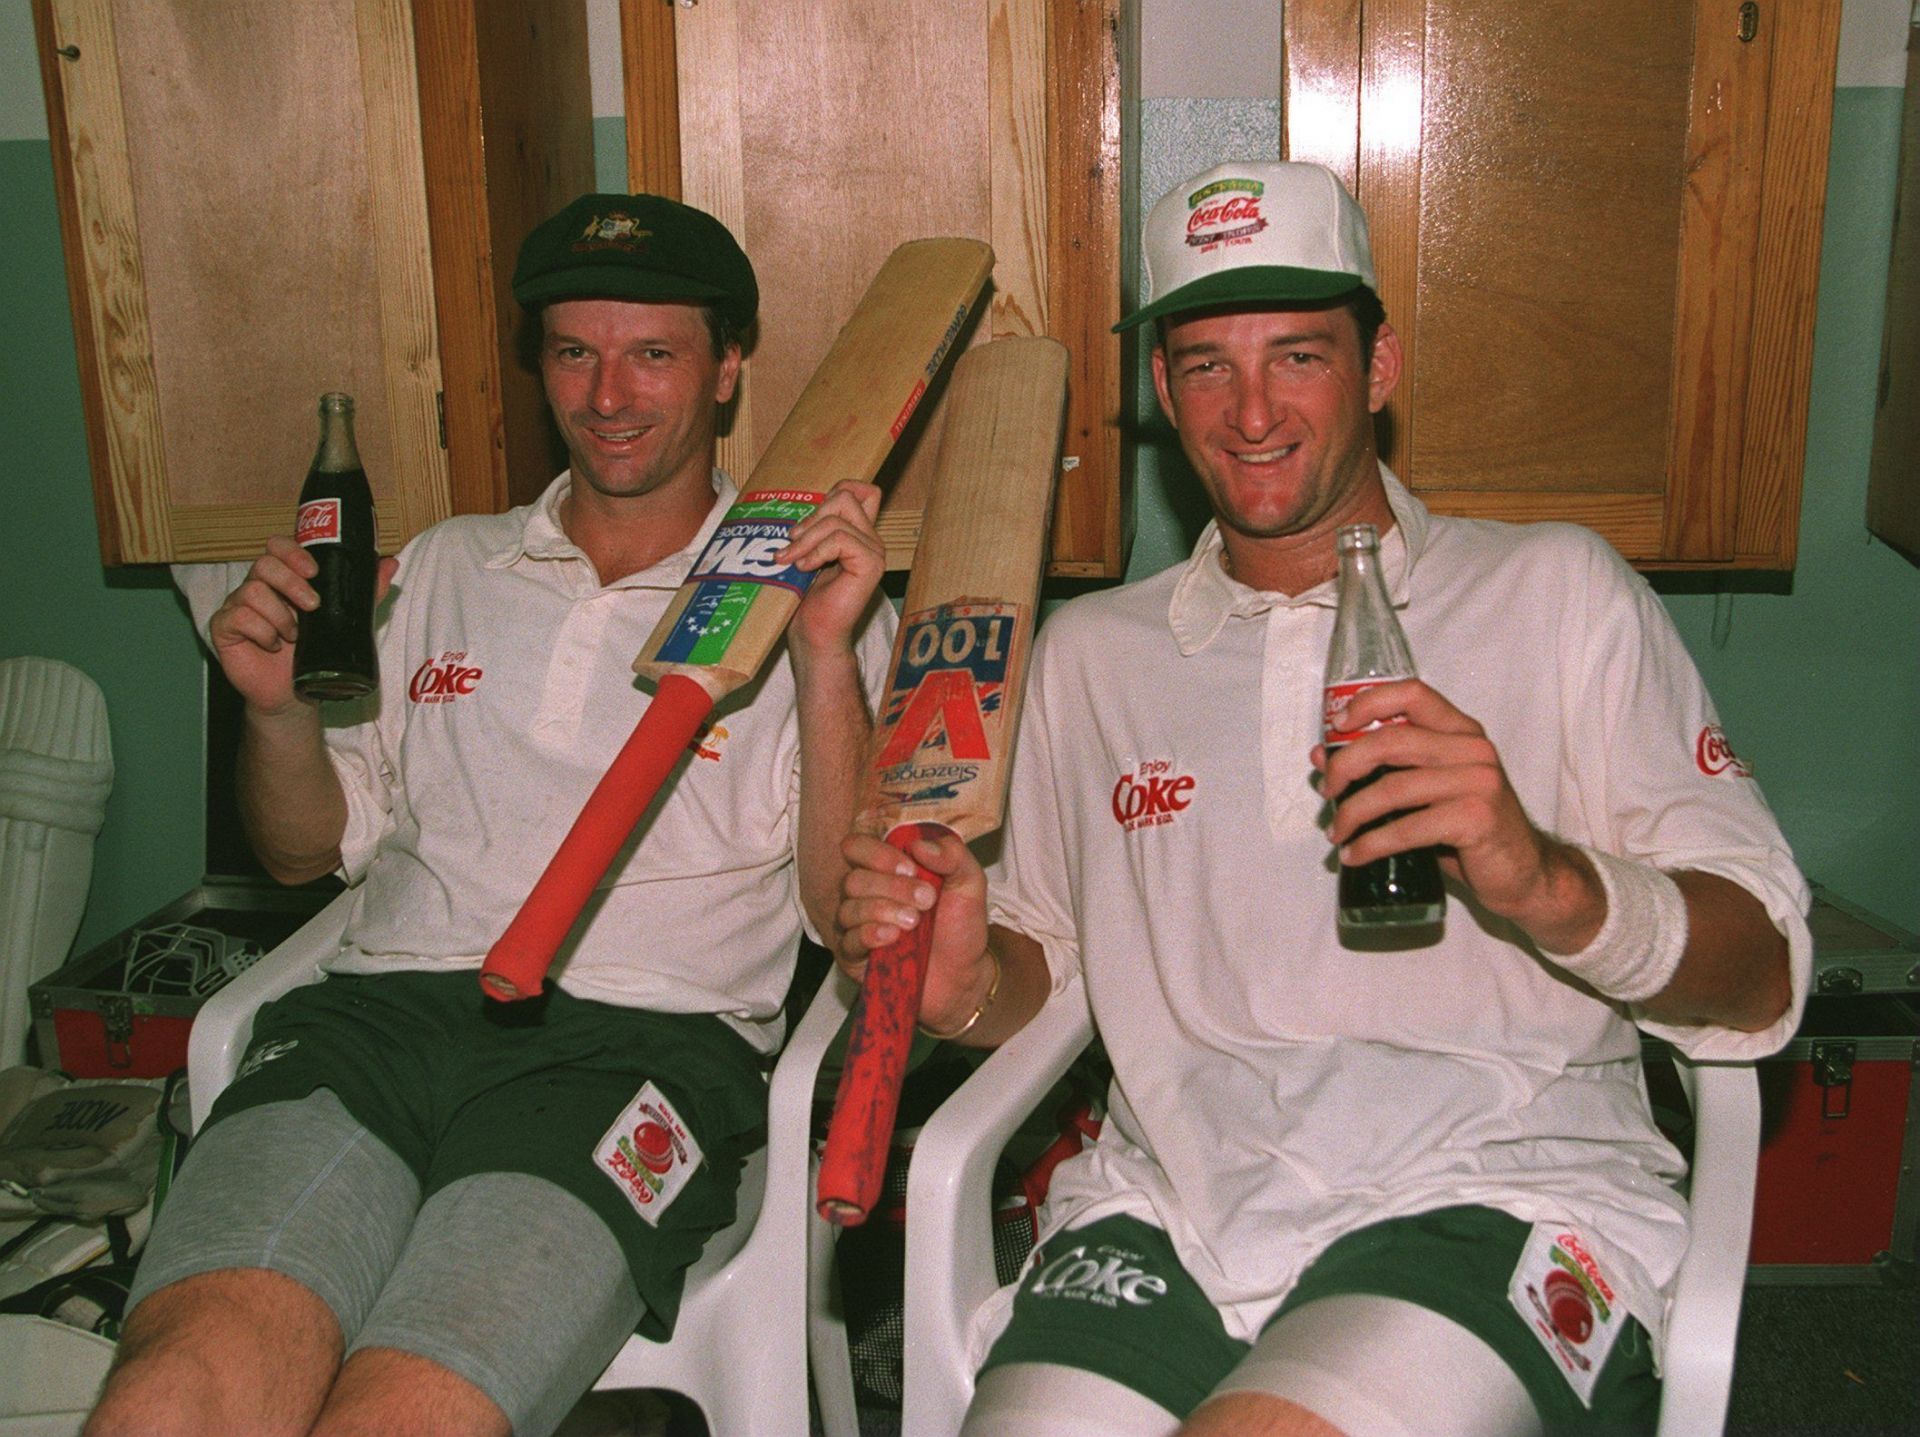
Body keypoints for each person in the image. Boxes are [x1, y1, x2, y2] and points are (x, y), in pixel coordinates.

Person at [838, 161, 1811, 1437]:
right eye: (1203, 366)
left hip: (1498, 1188)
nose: (1250, 413)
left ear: (1380, 366)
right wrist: (967, 975)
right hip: (1174, 1204)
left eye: (1297, 356)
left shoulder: (1556, 593)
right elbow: (1048, 979)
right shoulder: (1091, 657)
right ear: (1161, 391)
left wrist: (1544, 880)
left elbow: (1766, 978)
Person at [88, 192, 897, 1437]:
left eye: (654, 354)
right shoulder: (441, 571)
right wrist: (272, 710)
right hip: (371, 1029)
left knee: (402, 1415)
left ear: (729, 368)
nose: (608, 395)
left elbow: (840, 914)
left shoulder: (805, 601)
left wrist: (831, 658)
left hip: (638, 1054)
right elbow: (309, 849)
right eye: (575, 352)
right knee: (168, 1395)